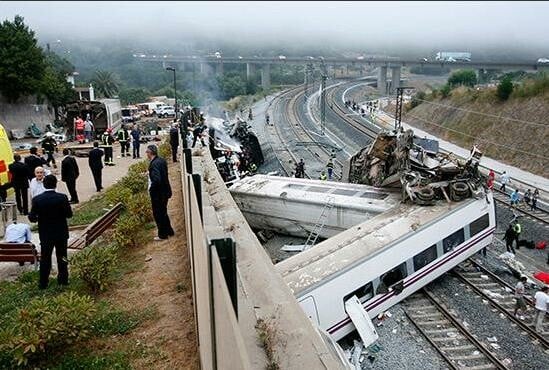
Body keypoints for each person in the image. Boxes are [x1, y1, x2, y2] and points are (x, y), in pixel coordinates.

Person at [28, 175, 72, 289]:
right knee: (62, 256)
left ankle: (43, 282)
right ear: (55, 184)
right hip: (61, 232)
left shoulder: (37, 199)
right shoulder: (62, 197)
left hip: (46, 233)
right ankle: (63, 280)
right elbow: (69, 214)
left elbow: (32, 217)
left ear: (44, 184)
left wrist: (40, 218)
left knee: (45, 258)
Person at [146, 145, 174, 240]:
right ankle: (169, 231)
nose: (146, 154)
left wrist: (151, 189)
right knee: (163, 212)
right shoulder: (161, 160)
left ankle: (162, 235)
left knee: (158, 214)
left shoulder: (153, 164)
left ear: (150, 153)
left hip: (158, 194)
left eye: (147, 152)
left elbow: (157, 180)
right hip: (165, 191)